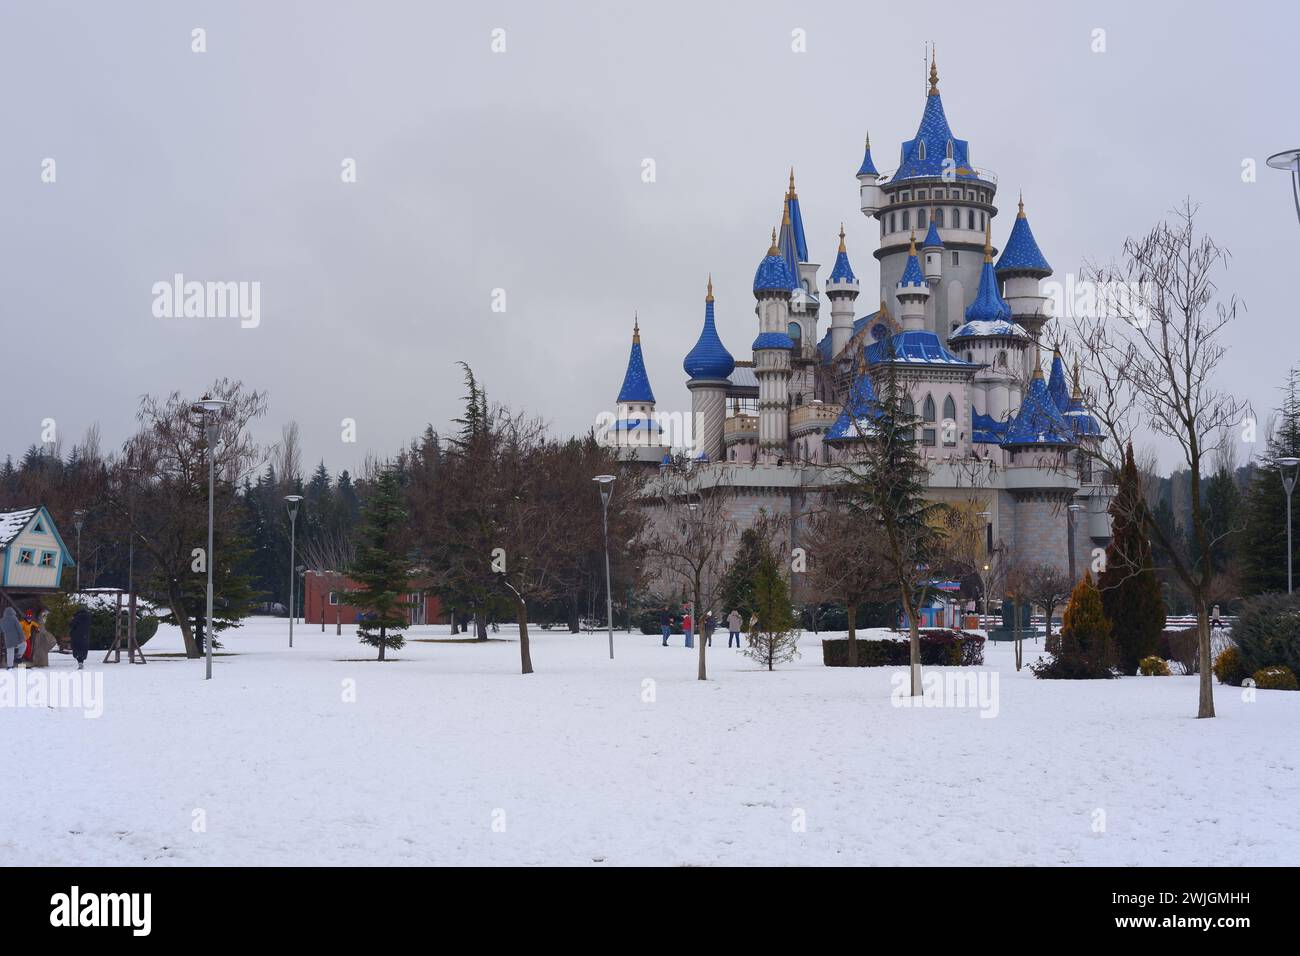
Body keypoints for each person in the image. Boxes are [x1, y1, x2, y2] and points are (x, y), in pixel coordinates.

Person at [70, 605, 91, 670]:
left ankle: (79, 661)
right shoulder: (88, 617)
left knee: (76, 650)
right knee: (83, 650)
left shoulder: (77, 617)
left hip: (76, 636)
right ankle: (81, 662)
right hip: (85, 636)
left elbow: (72, 625)